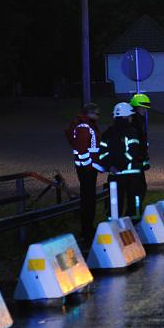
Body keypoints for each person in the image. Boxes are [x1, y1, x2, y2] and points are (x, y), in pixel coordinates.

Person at [66, 102, 105, 244]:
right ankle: (87, 230)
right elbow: (82, 150)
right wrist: (90, 166)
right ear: (89, 113)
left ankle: (88, 228)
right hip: (86, 170)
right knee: (88, 199)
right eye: (97, 113)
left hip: (87, 168)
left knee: (89, 199)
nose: (98, 117)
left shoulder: (87, 125)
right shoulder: (84, 127)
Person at [99, 102, 145, 220]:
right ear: (126, 116)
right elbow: (133, 151)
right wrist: (121, 164)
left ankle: (113, 230)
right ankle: (134, 228)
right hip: (132, 175)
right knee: (134, 205)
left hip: (114, 174)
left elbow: (102, 153)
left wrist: (110, 166)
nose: (131, 118)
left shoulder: (107, 133)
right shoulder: (132, 131)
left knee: (114, 205)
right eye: (130, 116)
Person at [130, 93, 151, 215]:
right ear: (136, 108)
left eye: (145, 108)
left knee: (141, 189)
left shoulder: (140, 121)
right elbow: (138, 145)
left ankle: (136, 213)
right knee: (138, 190)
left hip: (139, 162)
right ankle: (135, 215)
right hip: (135, 163)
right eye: (142, 108)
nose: (144, 110)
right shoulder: (134, 123)